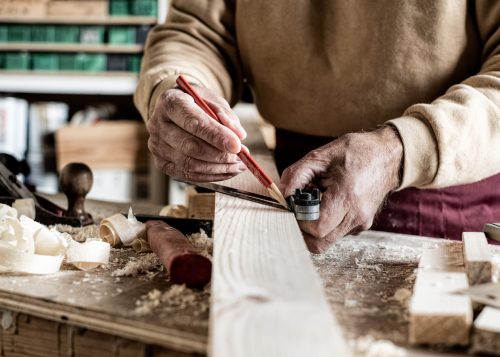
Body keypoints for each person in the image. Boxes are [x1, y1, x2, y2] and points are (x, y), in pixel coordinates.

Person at [134, 1, 500, 253]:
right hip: (288, 179)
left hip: (445, 185)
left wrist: (405, 149)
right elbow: (196, 32)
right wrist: (179, 86)